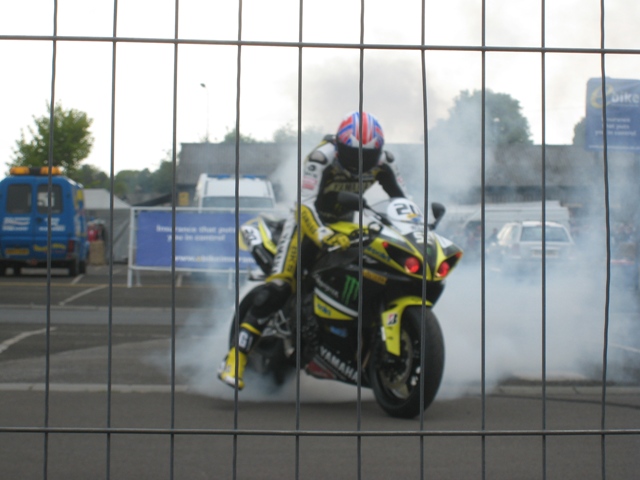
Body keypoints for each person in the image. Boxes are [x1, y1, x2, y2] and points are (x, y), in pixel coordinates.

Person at [218, 111, 407, 389]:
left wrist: (416, 227)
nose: (359, 162)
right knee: (281, 285)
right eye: (352, 154)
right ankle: (236, 357)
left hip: (344, 226)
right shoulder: (321, 158)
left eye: (366, 156)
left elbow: (402, 201)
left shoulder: (385, 162)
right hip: (306, 226)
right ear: (341, 146)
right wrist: (321, 233)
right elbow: (304, 203)